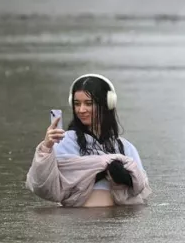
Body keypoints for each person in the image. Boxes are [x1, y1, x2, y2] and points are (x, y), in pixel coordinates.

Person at [27, 73, 151, 208]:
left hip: (115, 224)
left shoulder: (125, 147)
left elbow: (142, 190)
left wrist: (125, 178)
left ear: (107, 104)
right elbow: (42, 186)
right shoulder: (63, 141)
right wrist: (46, 148)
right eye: (76, 104)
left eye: (88, 103)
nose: (81, 110)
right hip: (76, 223)